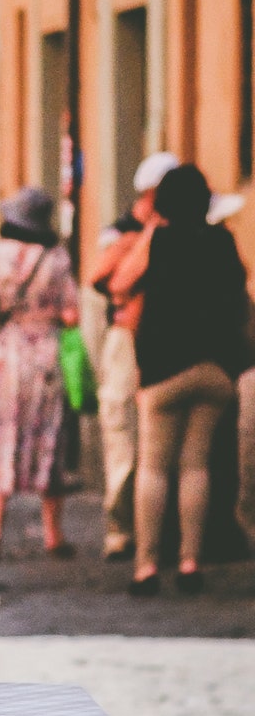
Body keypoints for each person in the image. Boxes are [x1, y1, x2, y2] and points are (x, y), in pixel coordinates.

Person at [103, 162, 248, 596]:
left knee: (154, 467)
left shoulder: (159, 240)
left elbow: (119, 285)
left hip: (163, 371)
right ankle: (190, 562)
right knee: (196, 466)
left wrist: (150, 232)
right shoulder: (224, 240)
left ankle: (146, 567)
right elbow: (241, 291)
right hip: (214, 369)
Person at [0, 186, 80, 562]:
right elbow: (72, 313)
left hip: (6, 356)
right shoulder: (56, 258)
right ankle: (54, 534)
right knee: (49, 437)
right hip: (44, 357)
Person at [89, 151, 180, 561]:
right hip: (129, 339)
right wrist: (145, 234)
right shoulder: (124, 233)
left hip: (170, 339)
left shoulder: (190, 227)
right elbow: (106, 280)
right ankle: (121, 525)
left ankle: (163, 531)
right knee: (123, 430)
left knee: (166, 442)